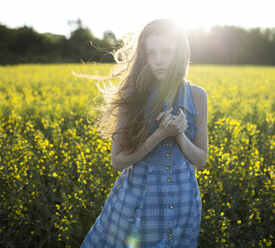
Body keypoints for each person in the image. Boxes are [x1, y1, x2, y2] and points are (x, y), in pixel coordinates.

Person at [80, 18, 208, 248]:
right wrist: (159, 134)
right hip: (139, 204)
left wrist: (178, 134)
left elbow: (201, 159)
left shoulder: (198, 96)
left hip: (184, 202)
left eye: (167, 52)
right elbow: (118, 162)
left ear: (179, 53)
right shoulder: (133, 95)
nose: (159, 60)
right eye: (152, 53)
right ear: (144, 56)